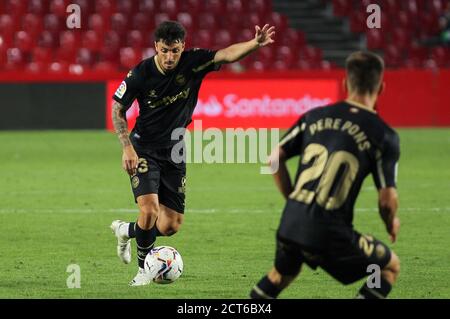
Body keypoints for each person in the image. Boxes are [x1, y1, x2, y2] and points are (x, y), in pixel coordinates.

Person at [110, 21, 275, 286]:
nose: (170, 57)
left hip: (175, 149)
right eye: (164, 50)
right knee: (150, 210)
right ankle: (143, 270)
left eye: (175, 50)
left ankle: (126, 230)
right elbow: (118, 107)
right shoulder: (140, 74)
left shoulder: (192, 63)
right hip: (144, 149)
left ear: (182, 47)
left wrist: (254, 44)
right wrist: (126, 146)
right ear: (156, 47)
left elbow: (226, 54)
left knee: (169, 226)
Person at [250, 51, 401, 299]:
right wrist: (390, 223)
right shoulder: (384, 135)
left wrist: (293, 198)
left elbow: (274, 158)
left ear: (345, 84)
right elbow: (387, 201)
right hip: (329, 230)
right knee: (388, 267)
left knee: (280, 276)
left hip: (292, 221)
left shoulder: (314, 116)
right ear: (381, 88)